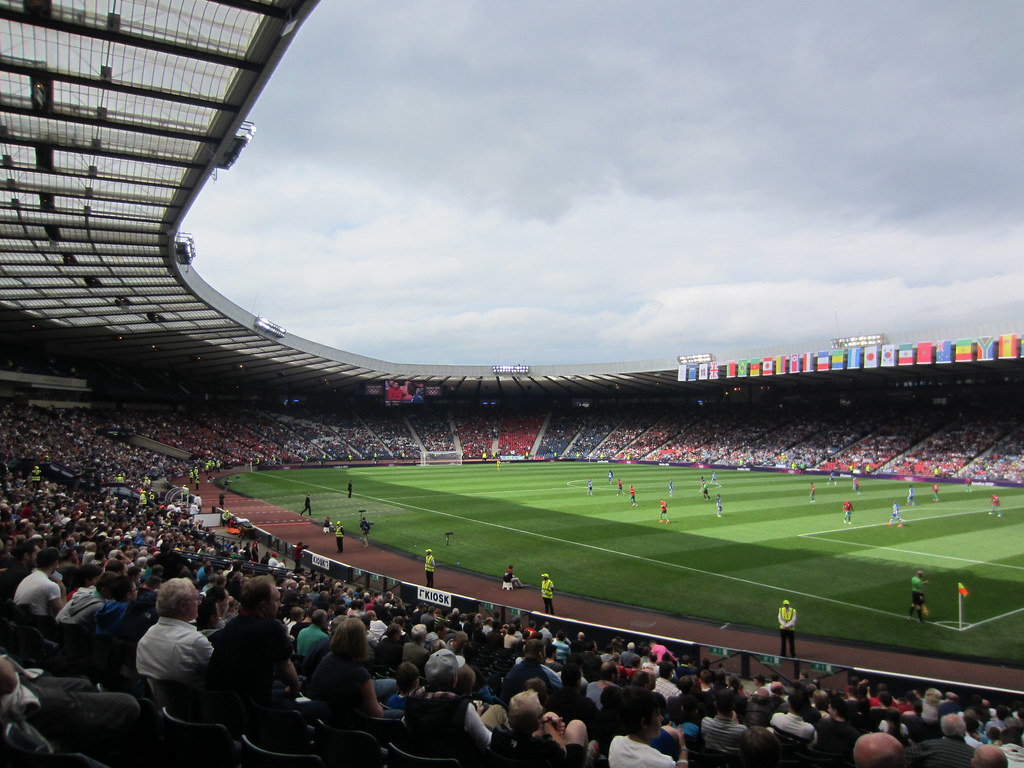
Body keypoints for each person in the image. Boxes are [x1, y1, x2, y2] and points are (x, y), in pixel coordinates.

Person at [0, 654, 140, 760]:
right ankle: (87, 757)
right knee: (127, 704)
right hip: (16, 700)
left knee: (84, 684)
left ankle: (79, 735)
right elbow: (8, 680)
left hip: (21, 684)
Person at [136, 577, 213, 689]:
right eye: (196, 599)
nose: (199, 603)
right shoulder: (194, 641)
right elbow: (221, 673)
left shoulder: (149, 632)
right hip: (189, 704)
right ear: (183, 606)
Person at [306, 616, 383, 726]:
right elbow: (377, 714)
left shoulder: (327, 659)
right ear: (361, 641)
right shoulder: (359, 673)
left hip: (326, 724)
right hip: (352, 726)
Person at [492, 688, 591, 768]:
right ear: (536, 724)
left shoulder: (498, 734)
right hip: (563, 761)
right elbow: (563, 752)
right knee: (577, 725)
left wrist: (542, 720)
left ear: (510, 722)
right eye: (541, 714)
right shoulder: (546, 747)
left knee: (551, 714)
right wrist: (548, 725)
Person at [609, 686, 687, 768]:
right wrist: (683, 747)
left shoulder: (616, 743)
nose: (662, 718)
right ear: (644, 722)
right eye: (657, 714)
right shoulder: (663, 763)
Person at [905, 713, 976, 768]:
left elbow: (905, 754)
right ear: (964, 729)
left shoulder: (931, 745)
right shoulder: (974, 755)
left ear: (943, 730)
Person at [14, 546, 65, 617]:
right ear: (56, 563)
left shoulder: (27, 578)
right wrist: (63, 590)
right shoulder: (51, 585)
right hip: (39, 626)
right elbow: (62, 616)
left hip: (21, 623)